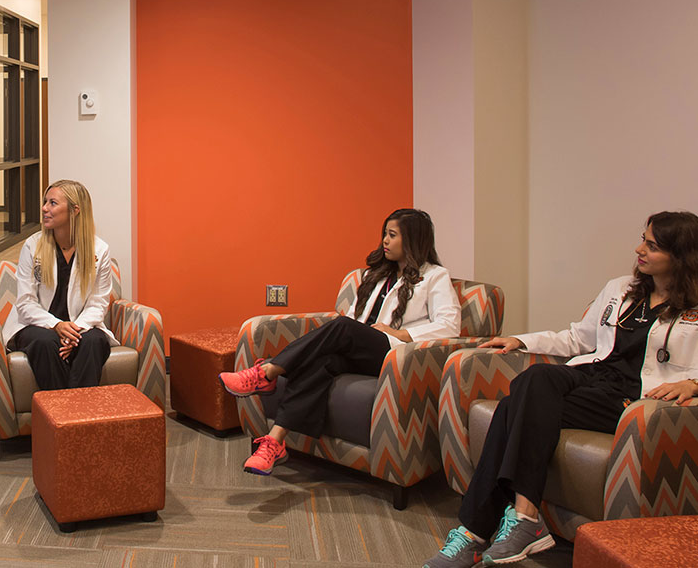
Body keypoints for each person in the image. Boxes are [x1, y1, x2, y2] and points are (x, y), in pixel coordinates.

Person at [422, 210, 698, 568]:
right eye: (643, 239)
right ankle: (524, 518)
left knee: (510, 408)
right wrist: (519, 341)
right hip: (594, 375)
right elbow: (576, 338)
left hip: (635, 400)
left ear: (680, 256)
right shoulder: (620, 289)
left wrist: (692, 383)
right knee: (534, 380)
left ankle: (474, 533)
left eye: (652, 245)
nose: (639, 249)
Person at [220, 208, 461, 475]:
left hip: (395, 358)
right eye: (384, 234)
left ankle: (268, 371)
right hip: (359, 351)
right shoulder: (376, 275)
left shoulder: (435, 276)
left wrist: (399, 334)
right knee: (321, 361)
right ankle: (275, 441)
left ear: (413, 240)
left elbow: (450, 326)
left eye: (392, 235)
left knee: (343, 327)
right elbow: (354, 318)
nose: (384, 241)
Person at [4, 180, 117, 391]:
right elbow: (25, 303)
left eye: (53, 203)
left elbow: (98, 303)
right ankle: (63, 414)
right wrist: (56, 325)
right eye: (45, 202)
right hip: (36, 325)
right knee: (46, 342)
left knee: (93, 342)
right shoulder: (32, 246)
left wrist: (73, 332)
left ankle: (76, 416)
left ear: (75, 210)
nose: (45, 208)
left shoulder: (99, 250)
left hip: (79, 324)